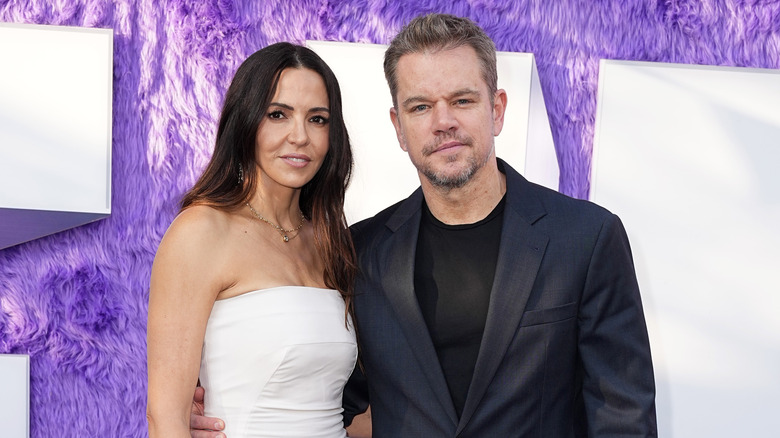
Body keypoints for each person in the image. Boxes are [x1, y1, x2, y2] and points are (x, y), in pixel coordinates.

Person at [192, 13, 657, 437]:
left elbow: (623, 417)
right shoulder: (363, 251)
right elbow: (330, 394)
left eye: (462, 100)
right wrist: (231, 414)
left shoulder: (587, 238)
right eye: (420, 107)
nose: (443, 122)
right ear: (398, 126)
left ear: (496, 109)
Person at [147, 42, 358, 438]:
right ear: (246, 122)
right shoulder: (201, 232)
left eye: (318, 119)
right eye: (278, 114)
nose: (300, 136)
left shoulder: (331, 241)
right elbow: (165, 418)